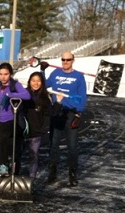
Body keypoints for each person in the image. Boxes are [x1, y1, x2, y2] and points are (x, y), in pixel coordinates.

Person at [42, 52, 87, 186]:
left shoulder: (79, 77)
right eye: (63, 59)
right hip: (58, 112)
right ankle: (52, 173)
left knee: (72, 147)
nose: (65, 62)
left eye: (68, 59)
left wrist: (78, 113)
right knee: (54, 145)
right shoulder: (55, 73)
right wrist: (42, 70)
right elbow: (43, 84)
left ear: (73, 60)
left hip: (71, 114)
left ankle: (72, 174)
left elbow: (82, 97)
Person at [0, 62, 30, 176]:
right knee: (0, 143)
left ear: (10, 74)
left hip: (11, 119)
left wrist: (11, 95)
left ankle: (13, 165)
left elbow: (27, 95)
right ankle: (3, 165)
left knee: (9, 143)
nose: (3, 77)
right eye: (1, 74)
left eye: (6, 74)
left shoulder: (15, 85)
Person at [23, 71, 53, 178]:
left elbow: (49, 114)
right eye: (33, 81)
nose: (36, 83)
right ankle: (15, 176)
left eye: (38, 81)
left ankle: (31, 179)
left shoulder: (45, 97)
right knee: (16, 155)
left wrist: (43, 128)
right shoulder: (24, 94)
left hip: (36, 132)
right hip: (22, 131)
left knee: (34, 156)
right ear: (29, 81)